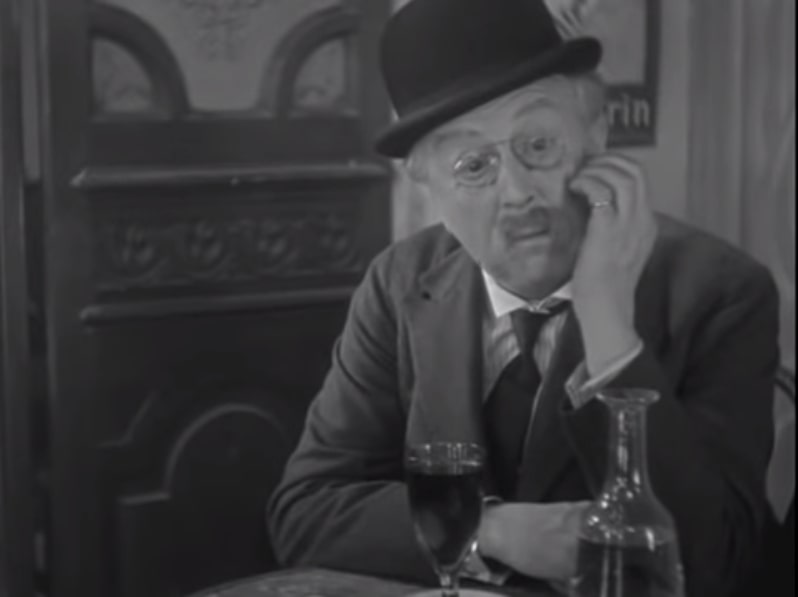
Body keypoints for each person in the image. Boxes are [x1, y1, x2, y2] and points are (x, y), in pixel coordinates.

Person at [267, 1, 780, 596]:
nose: (516, 192)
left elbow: (717, 563)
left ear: (595, 134)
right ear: (426, 183)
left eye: (538, 144)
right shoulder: (398, 284)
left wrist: (608, 326)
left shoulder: (720, 292)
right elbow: (306, 510)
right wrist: (490, 530)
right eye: (473, 165)